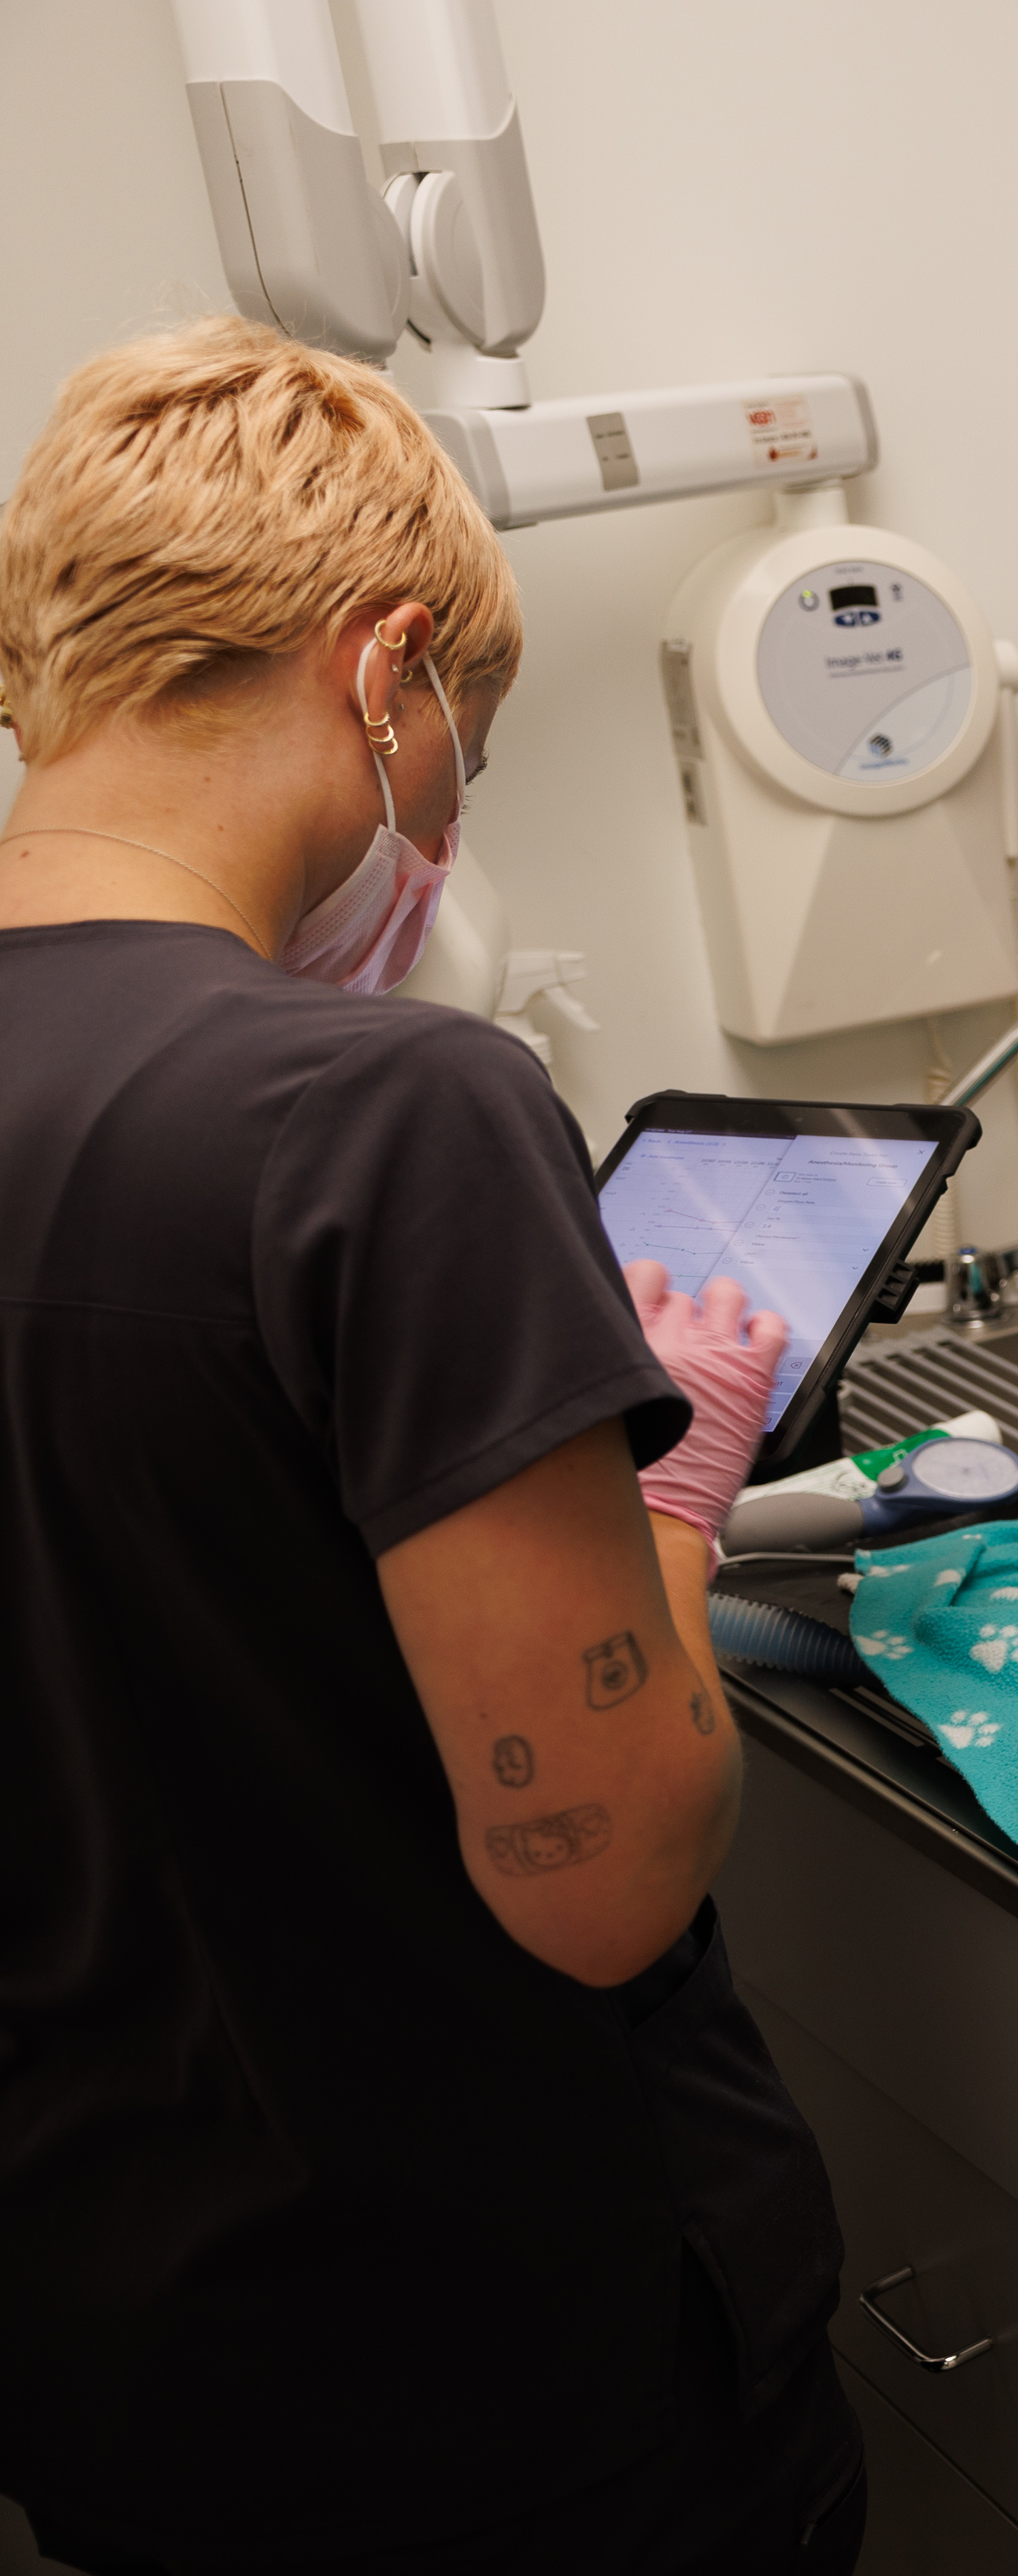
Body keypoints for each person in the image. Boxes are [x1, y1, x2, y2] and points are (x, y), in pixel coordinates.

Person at [0, 322, 862, 2573]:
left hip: (113, 2351)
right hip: (492, 2391)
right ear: (385, 675)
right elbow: (603, 1873)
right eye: (461, 757)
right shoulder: (384, 1113)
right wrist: (671, 1497)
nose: (445, 829)